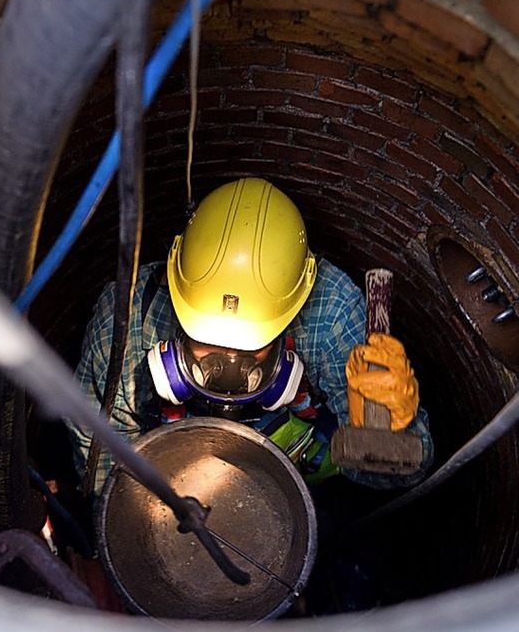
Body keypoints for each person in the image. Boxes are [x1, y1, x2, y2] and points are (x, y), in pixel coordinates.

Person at [68, 177, 433, 497]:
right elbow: (100, 455)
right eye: (206, 337)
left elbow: (398, 477)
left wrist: (390, 431)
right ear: (175, 293)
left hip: (293, 478)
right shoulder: (127, 320)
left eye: (251, 345)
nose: (227, 366)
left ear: (293, 310)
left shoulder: (330, 314)